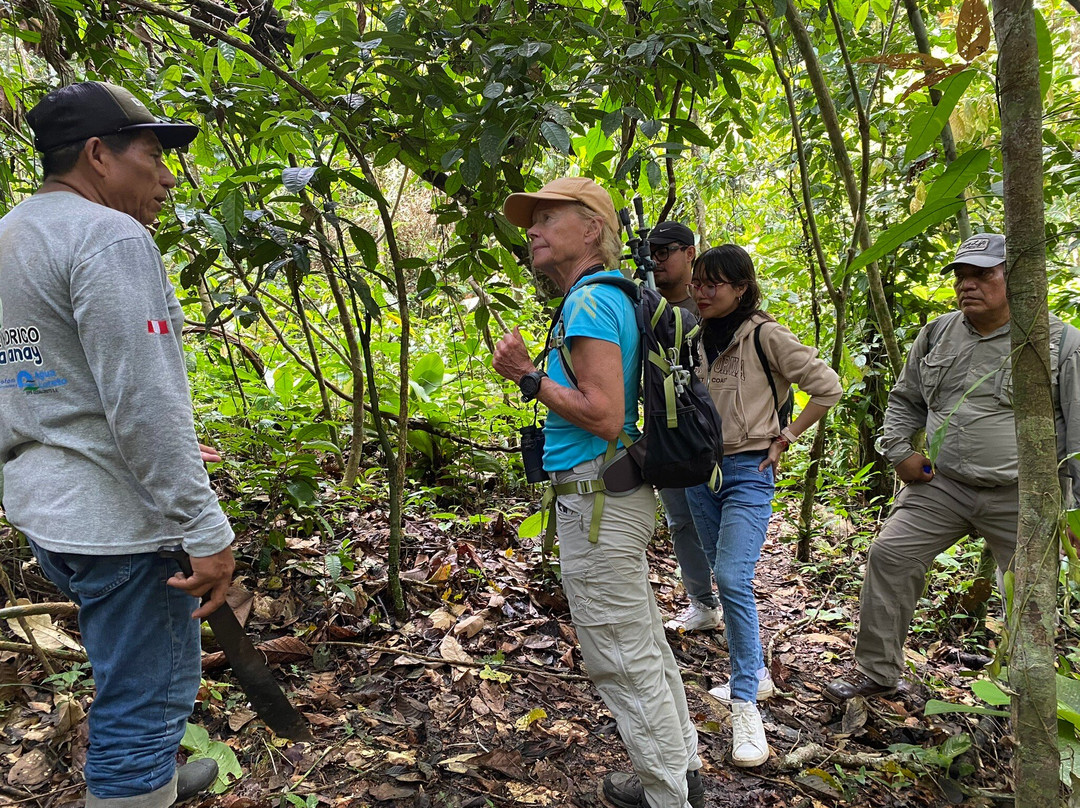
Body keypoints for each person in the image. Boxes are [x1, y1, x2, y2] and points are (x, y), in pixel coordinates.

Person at [0, 81, 236, 808]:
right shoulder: (109, 236)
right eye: (154, 155)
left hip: (50, 513)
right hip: (122, 524)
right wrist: (204, 529)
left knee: (124, 672)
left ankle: (148, 784)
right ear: (99, 155)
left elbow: (38, 380)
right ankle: (135, 789)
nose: (168, 178)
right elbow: (144, 401)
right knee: (147, 700)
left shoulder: (12, 234)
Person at [493, 177, 705, 808]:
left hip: (599, 502)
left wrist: (527, 376)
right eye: (531, 221)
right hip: (615, 494)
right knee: (642, 644)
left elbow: (605, 414)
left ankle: (669, 796)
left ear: (591, 229)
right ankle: (681, 773)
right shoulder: (611, 294)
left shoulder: (589, 302)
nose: (532, 230)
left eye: (546, 217)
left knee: (621, 656)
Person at [826, 233, 1080, 702]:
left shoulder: (1058, 341)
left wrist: (1075, 511)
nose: (968, 285)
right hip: (943, 484)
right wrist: (899, 451)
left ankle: (1028, 697)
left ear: (1015, 278)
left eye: (982, 274)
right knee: (890, 555)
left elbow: (1079, 431)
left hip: (1023, 495)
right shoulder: (938, 332)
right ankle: (878, 672)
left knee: (1030, 592)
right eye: (962, 276)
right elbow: (906, 399)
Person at [684, 245, 842, 767]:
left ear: (741, 288)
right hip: (700, 473)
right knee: (721, 574)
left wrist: (786, 436)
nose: (702, 292)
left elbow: (827, 387)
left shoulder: (765, 335)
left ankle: (745, 705)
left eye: (713, 284)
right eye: (698, 283)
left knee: (732, 578)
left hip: (749, 471)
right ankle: (754, 670)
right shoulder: (694, 337)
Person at [646, 222, 721, 633]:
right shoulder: (644, 304)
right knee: (681, 519)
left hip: (714, 430)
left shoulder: (711, 301)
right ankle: (702, 602)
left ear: (689, 253)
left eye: (665, 251)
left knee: (720, 520)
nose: (656, 261)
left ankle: (735, 602)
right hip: (667, 430)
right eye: (651, 253)